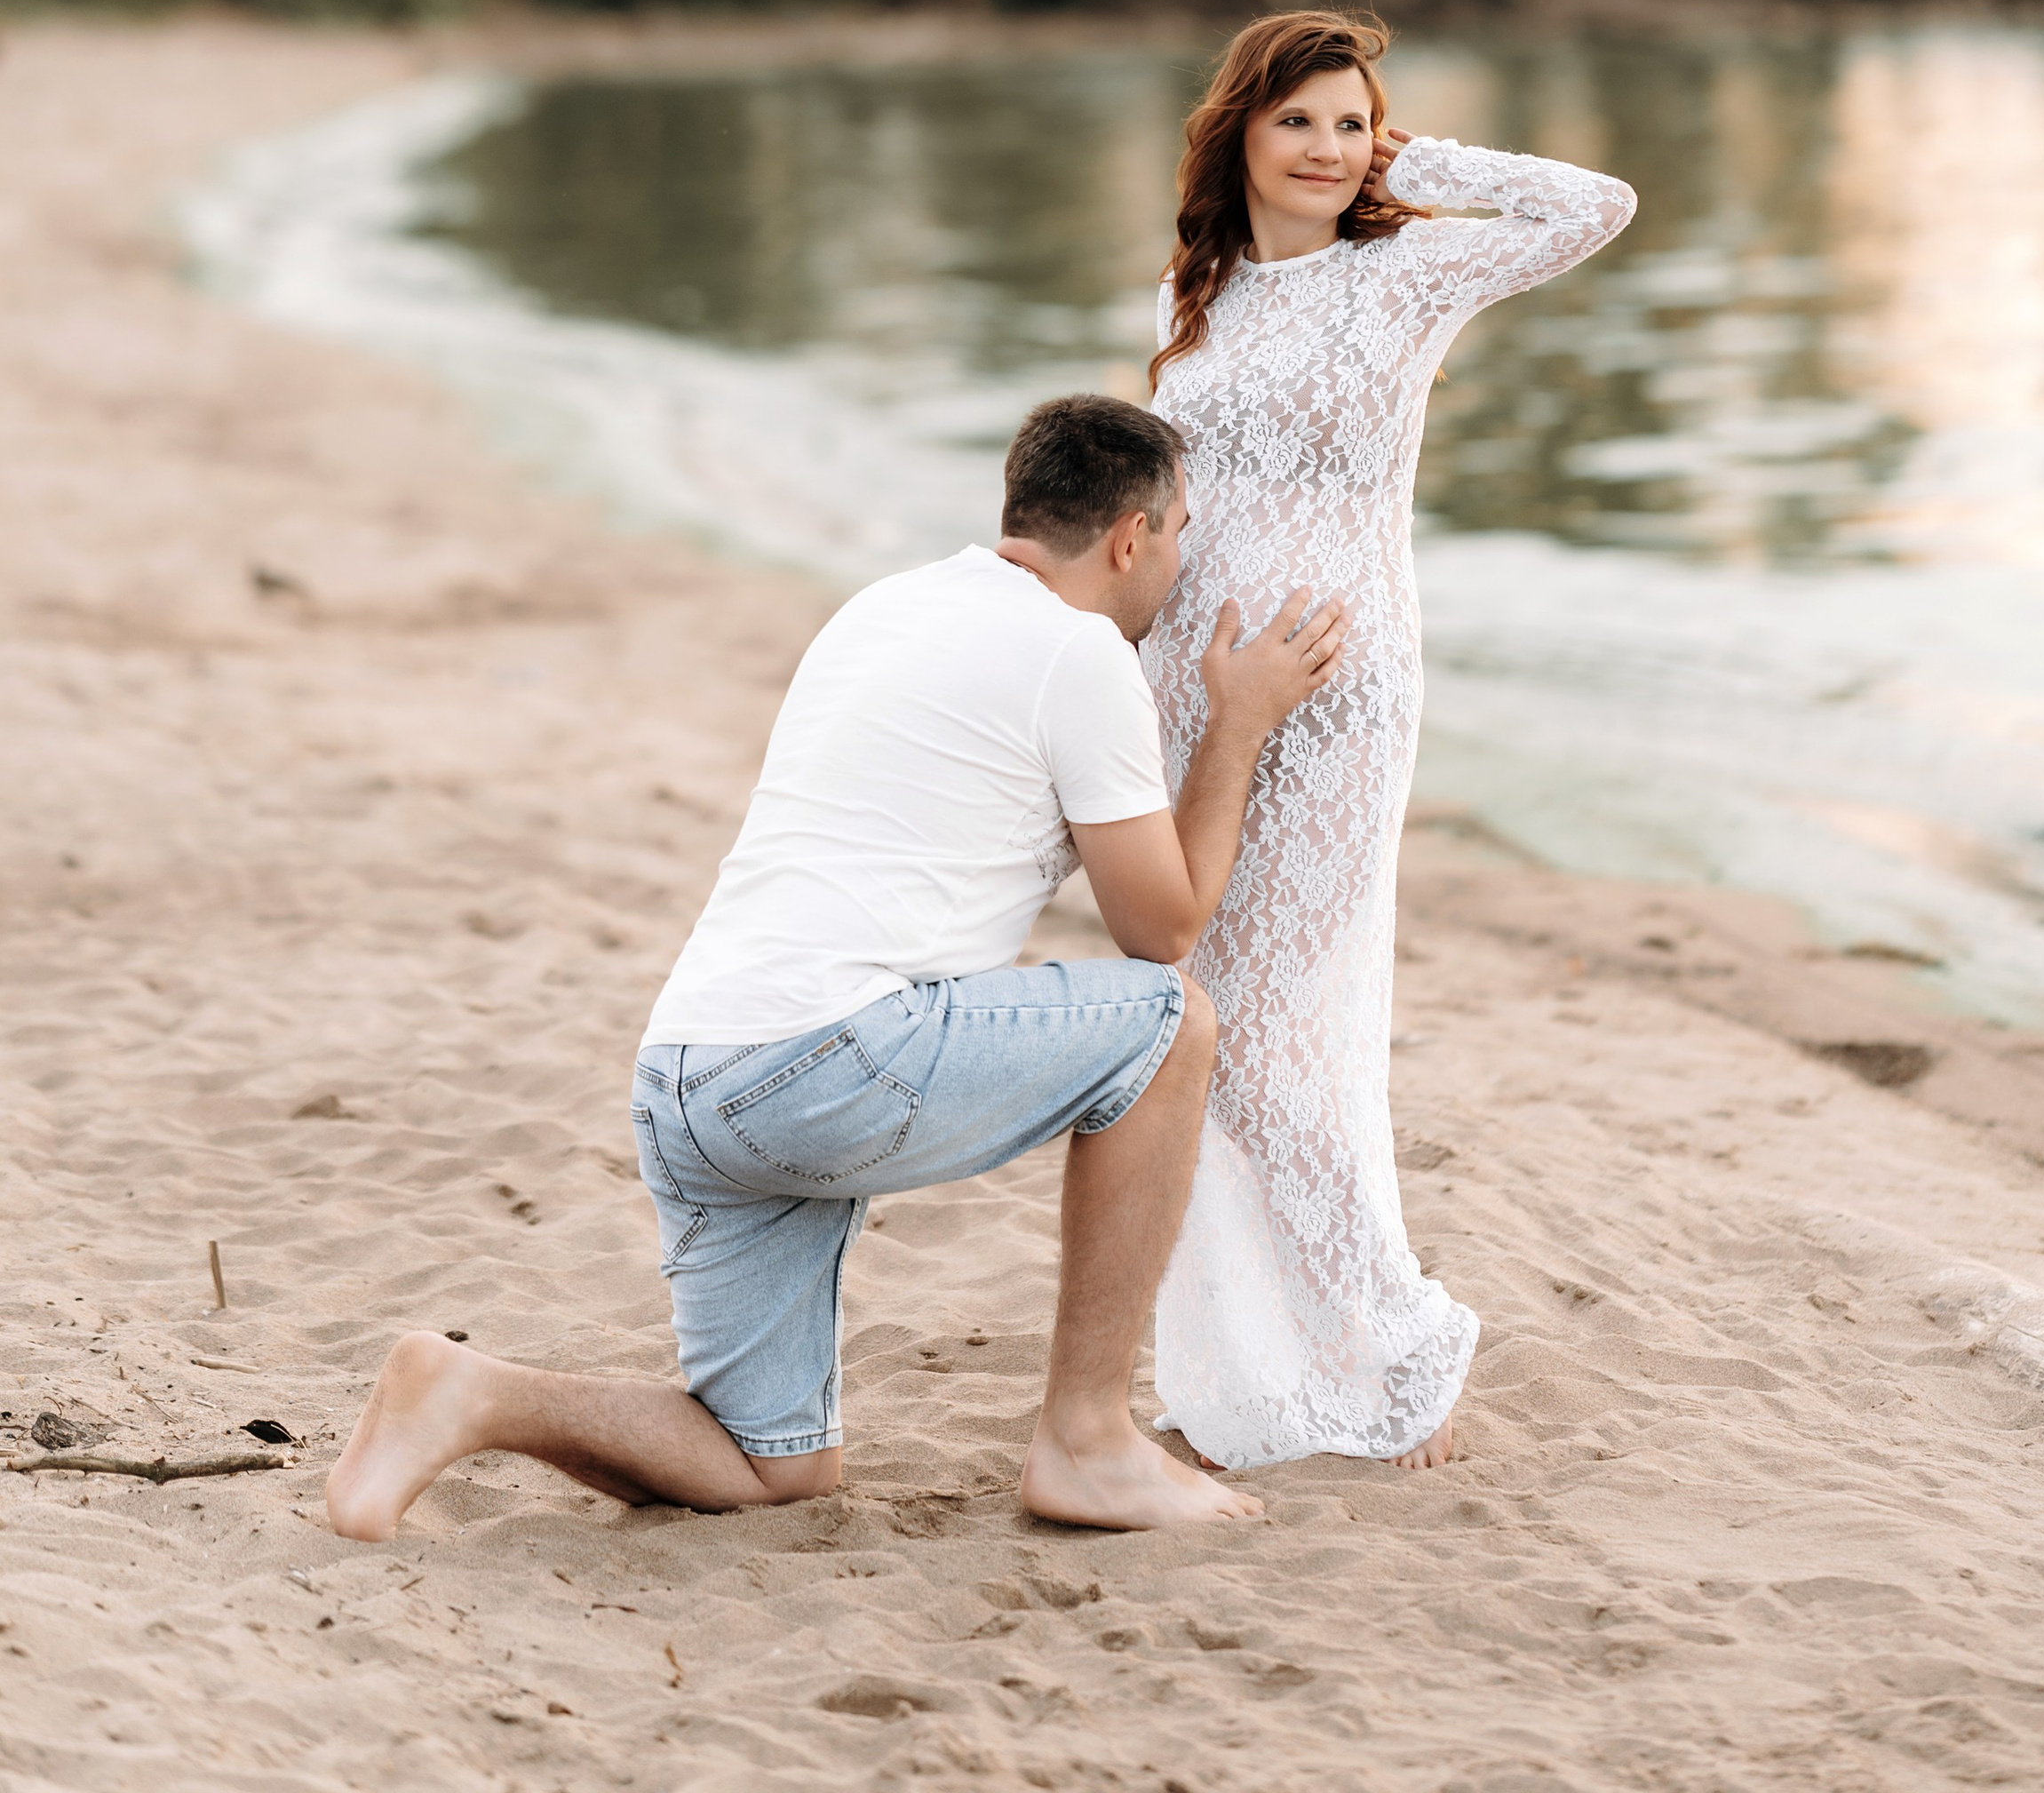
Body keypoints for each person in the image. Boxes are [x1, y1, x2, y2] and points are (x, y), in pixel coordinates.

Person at [326, 394, 1346, 1542]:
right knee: (1172, 1021)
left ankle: (472, 1391)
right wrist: (1241, 720)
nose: (1178, 561)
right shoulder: (1077, 651)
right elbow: (1159, 934)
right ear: (1131, 537)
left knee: (771, 1471)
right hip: (819, 1068)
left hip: (687, 1077)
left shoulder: (886, 607)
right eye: (1180, 532)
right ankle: (1089, 1437)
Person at [1141, 9, 1636, 1476]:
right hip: (1197, 685)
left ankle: (1394, 1345)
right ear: (1238, 127)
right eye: (1297, 120)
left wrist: (1422, 158)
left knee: (1290, 1041)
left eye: (1351, 123)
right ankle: (1258, 1362)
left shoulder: (1409, 267)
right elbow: (1178, 510)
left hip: (1342, 688)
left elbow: (1593, 208)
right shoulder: (1197, 289)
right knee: (1204, 1030)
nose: (1327, 149)